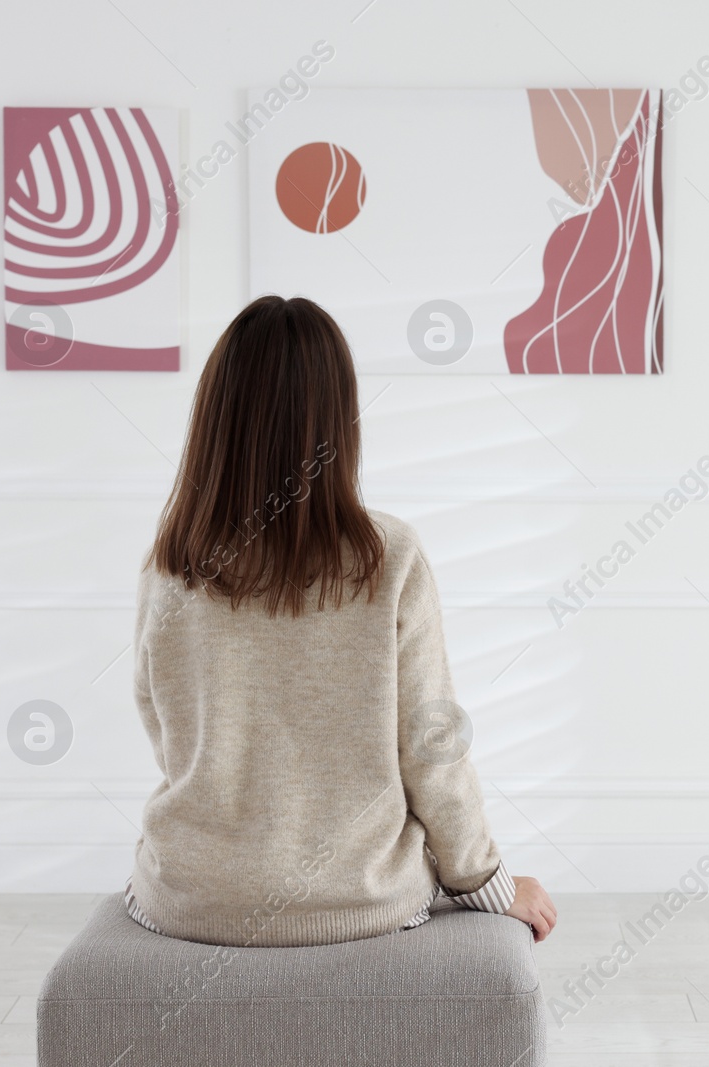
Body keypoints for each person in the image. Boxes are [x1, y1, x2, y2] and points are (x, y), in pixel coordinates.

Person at [122, 294, 556, 948]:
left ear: (216, 418)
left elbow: (165, 722)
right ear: (338, 422)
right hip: (360, 895)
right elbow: (431, 746)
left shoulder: (171, 565)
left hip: (192, 898)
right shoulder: (391, 558)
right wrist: (486, 881)